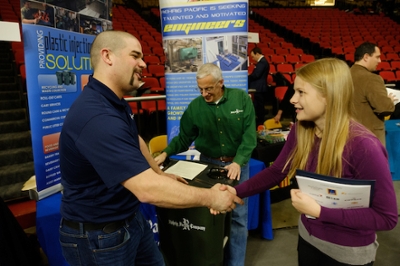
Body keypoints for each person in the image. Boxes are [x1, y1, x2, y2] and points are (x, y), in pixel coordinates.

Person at [58, 31, 243, 266]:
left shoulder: (113, 101)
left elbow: (134, 139)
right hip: (99, 237)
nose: (143, 64)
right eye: (135, 55)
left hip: (129, 219)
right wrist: (211, 199)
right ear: (107, 56)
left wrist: (160, 173)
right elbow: (147, 190)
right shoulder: (96, 116)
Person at [226, 58, 398, 266]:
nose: (292, 99)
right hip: (308, 240)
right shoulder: (301, 130)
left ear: (328, 96)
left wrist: (320, 212)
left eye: (301, 92)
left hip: (348, 255)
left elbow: (386, 217)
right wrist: (234, 192)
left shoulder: (364, 146)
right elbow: (277, 171)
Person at [154, 63, 257, 266]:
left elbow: (249, 135)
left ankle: (235, 263)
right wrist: (165, 153)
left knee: (237, 218)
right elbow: (183, 138)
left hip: (236, 166)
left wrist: (237, 162)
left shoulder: (241, 99)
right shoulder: (195, 107)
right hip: (208, 165)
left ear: (221, 83)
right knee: (209, 218)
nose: (204, 94)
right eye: (200, 89)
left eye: (208, 88)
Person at [350, 42, 396, 146]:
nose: (380, 61)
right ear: (366, 57)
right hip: (370, 139)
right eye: (377, 57)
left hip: (348, 136)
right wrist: (390, 101)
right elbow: (385, 108)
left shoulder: (344, 76)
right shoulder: (371, 79)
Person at [248, 47, 270, 126]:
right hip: (258, 87)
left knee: (259, 107)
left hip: (258, 88)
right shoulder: (262, 62)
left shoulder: (262, 62)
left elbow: (256, 75)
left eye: (253, 56)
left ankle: (260, 123)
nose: (253, 59)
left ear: (257, 54)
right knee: (258, 106)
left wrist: (248, 76)